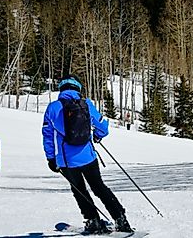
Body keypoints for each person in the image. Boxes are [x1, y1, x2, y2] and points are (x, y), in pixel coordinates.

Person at [42, 76, 133, 234]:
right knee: (99, 188)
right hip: (88, 157)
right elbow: (103, 127)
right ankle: (120, 218)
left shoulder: (53, 108)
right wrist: (97, 135)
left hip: (66, 161)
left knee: (79, 191)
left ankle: (93, 221)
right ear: (78, 88)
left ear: (62, 89)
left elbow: (47, 136)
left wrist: (51, 158)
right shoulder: (87, 104)